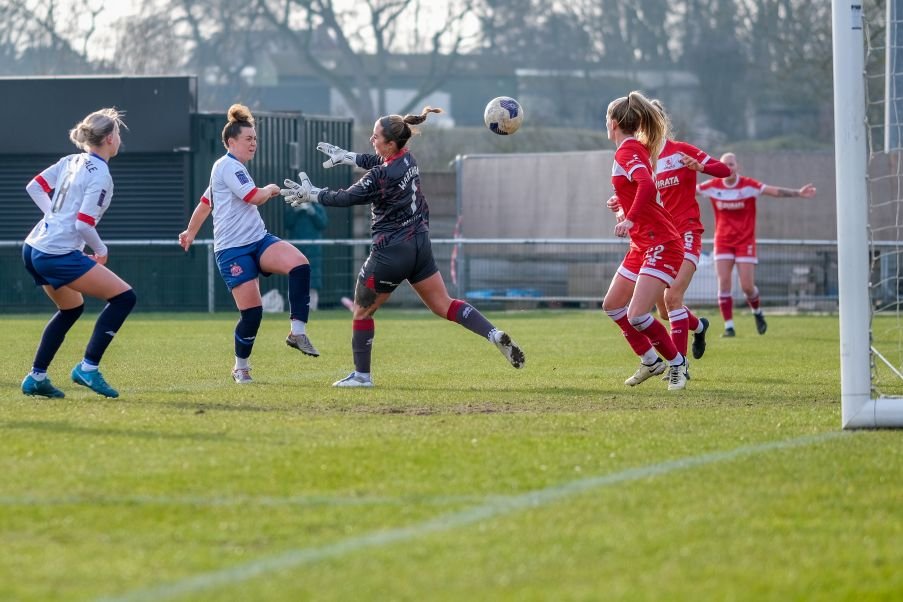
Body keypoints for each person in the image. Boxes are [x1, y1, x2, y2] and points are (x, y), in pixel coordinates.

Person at [279, 106, 525, 387]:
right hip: (420, 245)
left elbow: (346, 197)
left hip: (391, 251)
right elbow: (377, 161)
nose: (372, 140)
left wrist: (313, 194)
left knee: (362, 311)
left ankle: (362, 377)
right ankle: (493, 334)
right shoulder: (408, 159)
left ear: (391, 143)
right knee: (444, 304)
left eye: (376, 136)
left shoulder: (379, 177)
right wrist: (348, 157)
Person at [179, 104, 319, 384]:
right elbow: (254, 197)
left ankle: (297, 332)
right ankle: (240, 366)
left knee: (299, 264)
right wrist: (269, 189)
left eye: (255, 138)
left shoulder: (231, 170)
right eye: (248, 139)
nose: (254, 143)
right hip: (232, 250)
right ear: (232, 142)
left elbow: (206, 203)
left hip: (258, 240)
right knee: (252, 314)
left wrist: (189, 231)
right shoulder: (227, 166)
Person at [20, 108, 137, 399]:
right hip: (55, 253)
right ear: (110, 138)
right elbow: (84, 223)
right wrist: (100, 249)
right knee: (124, 298)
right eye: (118, 134)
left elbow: (34, 186)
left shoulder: (71, 160)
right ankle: (88, 368)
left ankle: (36, 377)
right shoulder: (101, 175)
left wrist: (53, 216)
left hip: (33, 247)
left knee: (71, 309)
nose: (119, 139)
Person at [600, 91, 688, 390]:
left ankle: (678, 364)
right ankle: (651, 360)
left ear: (613, 123)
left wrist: (630, 218)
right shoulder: (632, 148)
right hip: (643, 243)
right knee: (613, 305)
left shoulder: (627, 150)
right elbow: (638, 187)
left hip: (661, 241)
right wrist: (621, 203)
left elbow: (647, 185)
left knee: (637, 315)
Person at [697, 153, 817, 337]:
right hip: (722, 241)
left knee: (746, 286)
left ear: (738, 166)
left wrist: (798, 193)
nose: (728, 168)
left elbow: (774, 191)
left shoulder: (748, 185)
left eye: (731, 164)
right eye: (724, 165)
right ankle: (729, 327)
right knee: (724, 283)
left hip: (745, 242)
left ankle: (757, 312)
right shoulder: (712, 186)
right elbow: (688, 190)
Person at [284, 201, 328, 310]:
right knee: (294, 277)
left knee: (313, 280)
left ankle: (312, 308)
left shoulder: (318, 208)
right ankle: (294, 308)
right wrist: (296, 211)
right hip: (296, 249)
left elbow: (323, 224)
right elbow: (287, 224)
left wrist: (312, 212)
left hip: (313, 251)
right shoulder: (293, 208)